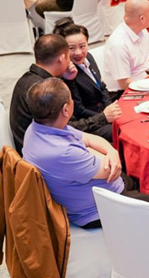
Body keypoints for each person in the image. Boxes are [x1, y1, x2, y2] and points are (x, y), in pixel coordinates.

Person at [22, 78, 126, 228]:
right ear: (66, 109)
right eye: (71, 99)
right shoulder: (62, 152)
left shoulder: (38, 127)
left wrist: (111, 151)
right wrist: (106, 153)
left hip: (101, 190)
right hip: (101, 209)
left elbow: (88, 138)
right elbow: (110, 170)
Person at [9, 34, 82, 152]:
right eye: (68, 57)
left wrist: (69, 81)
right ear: (61, 58)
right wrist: (102, 117)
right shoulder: (45, 90)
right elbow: (68, 127)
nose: (70, 62)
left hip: (34, 144)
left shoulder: (28, 78)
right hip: (44, 151)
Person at [57, 21, 122, 141]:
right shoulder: (66, 73)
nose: (78, 52)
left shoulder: (89, 58)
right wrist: (103, 117)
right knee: (121, 131)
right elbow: (78, 109)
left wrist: (109, 108)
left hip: (104, 112)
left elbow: (101, 86)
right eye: (71, 48)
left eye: (82, 46)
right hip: (90, 123)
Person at [102, 0, 149, 90]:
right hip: (123, 92)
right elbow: (124, 83)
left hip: (145, 81)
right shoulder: (118, 44)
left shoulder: (141, 29)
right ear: (142, 18)